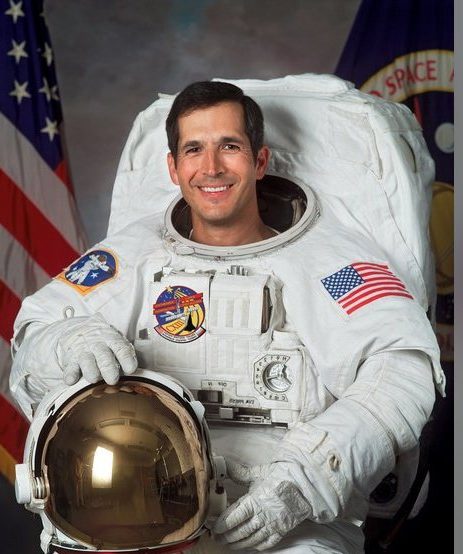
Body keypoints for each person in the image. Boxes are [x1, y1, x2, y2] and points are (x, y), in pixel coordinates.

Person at [10, 80, 444, 554]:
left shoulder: (331, 265)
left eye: (230, 146)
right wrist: (67, 340)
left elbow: (402, 370)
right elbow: (36, 331)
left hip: (289, 521)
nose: (212, 167)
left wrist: (307, 478)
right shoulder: (133, 255)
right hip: (139, 512)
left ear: (260, 161)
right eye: (194, 149)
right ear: (173, 168)